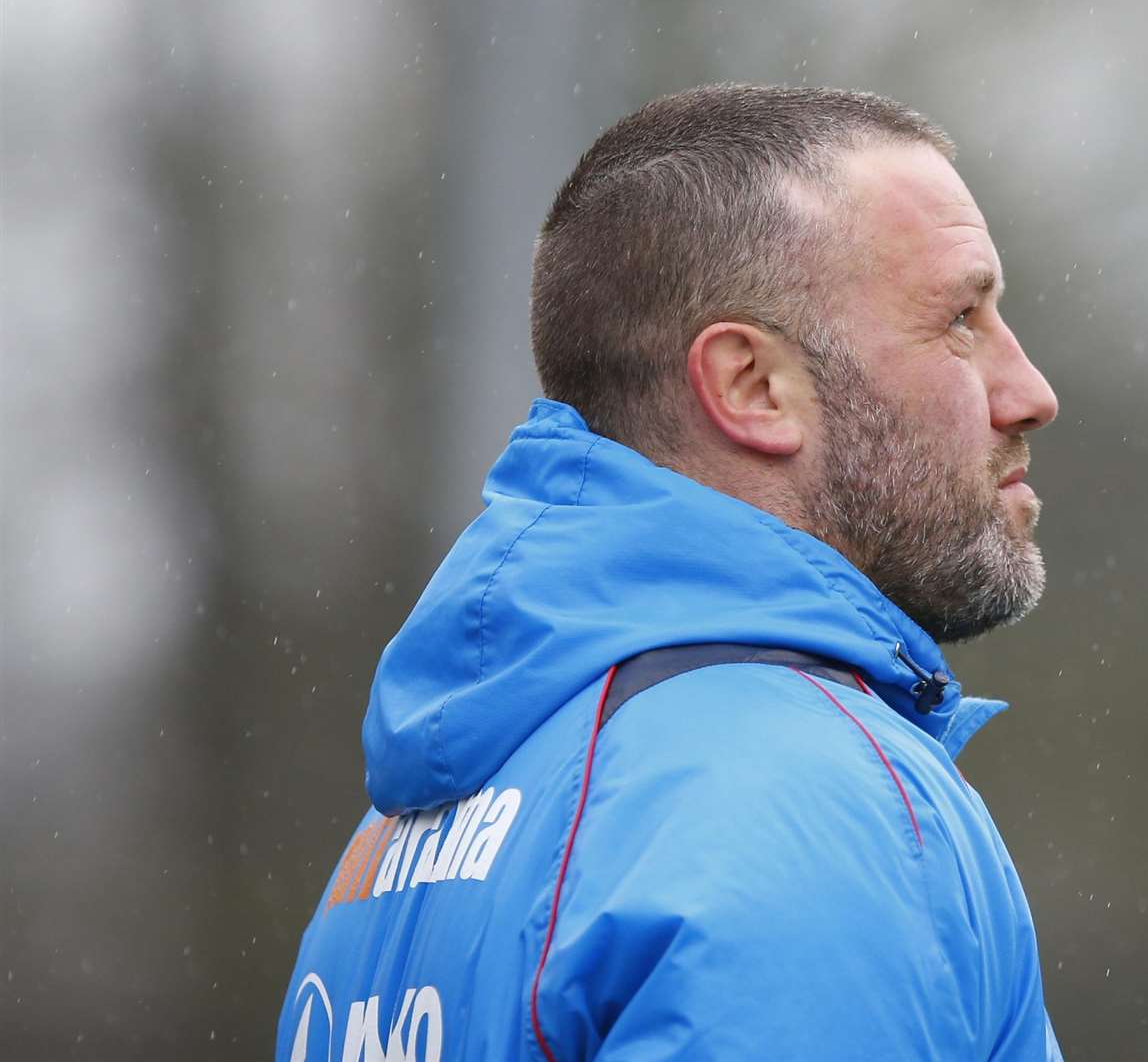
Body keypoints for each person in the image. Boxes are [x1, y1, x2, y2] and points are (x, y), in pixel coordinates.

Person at [277, 84, 1063, 1062]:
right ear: (750, 386)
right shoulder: (806, 805)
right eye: (958, 320)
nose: (1029, 393)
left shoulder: (401, 839)